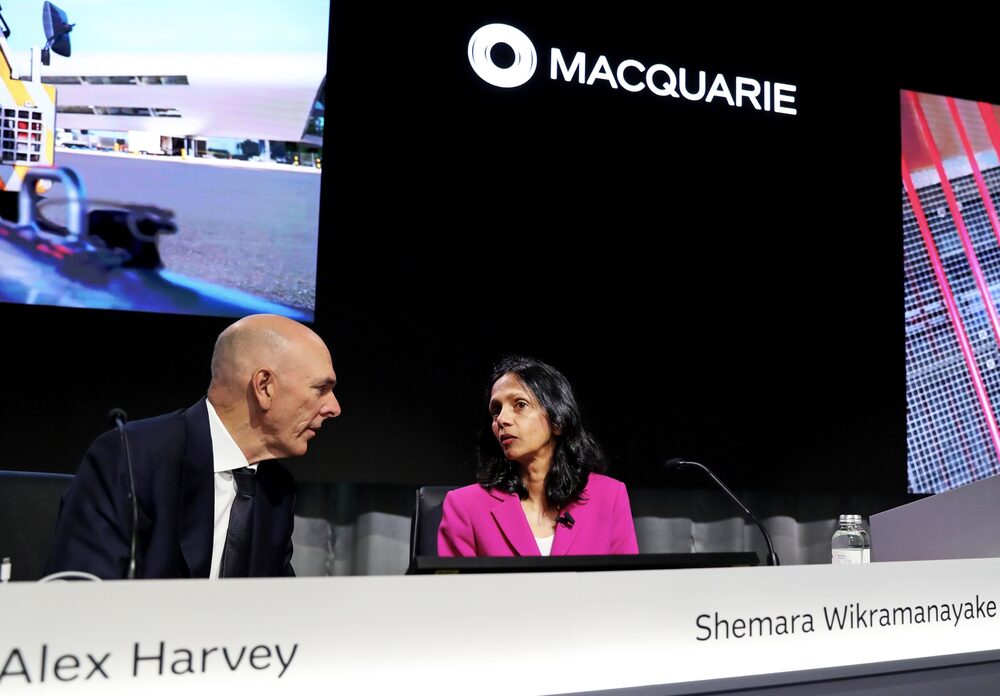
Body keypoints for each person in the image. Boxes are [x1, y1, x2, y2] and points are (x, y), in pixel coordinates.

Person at [45, 313, 341, 579]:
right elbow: (80, 593)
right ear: (264, 386)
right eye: (321, 389)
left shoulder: (276, 489)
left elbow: (276, 611)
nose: (334, 407)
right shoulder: (132, 458)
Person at [438, 355, 638, 557]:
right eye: (496, 410)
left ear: (558, 420)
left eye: (520, 404)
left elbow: (627, 584)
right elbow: (457, 588)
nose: (502, 419)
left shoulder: (610, 496)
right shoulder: (465, 506)